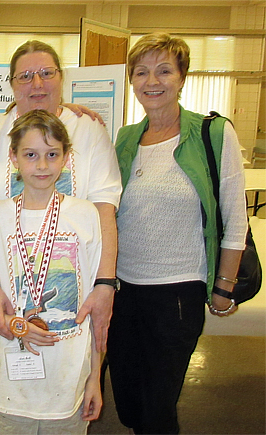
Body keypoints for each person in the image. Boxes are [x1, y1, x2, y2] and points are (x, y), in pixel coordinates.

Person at [0, 40, 122, 434]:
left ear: (62, 79)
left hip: (69, 300)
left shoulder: (88, 130)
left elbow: (104, 214)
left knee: (65, 393)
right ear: (11, 83)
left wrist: (104, 284)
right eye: (25, 75)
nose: (37, 83)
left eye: (47, 72)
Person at [107, 33, 247, 434]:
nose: (153, 81)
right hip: (122, 289)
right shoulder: (126, 138)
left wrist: (223, 286)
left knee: (158, 408)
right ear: (131, 81)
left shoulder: (212, 133)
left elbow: (236, 218)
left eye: (164, 70)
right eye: (142, 72)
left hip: (177, 293)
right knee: (129, 402)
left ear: (182, 77)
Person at [0, 109, 102, 434]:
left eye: (52, 154)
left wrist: (95, 377)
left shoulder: (85, 215)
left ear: (66, 158)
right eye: (31, 154)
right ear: (14, 157)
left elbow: (96, 309)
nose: (42, 165)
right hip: (12, 381)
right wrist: (16, 324)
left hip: (68, 381)